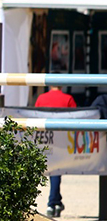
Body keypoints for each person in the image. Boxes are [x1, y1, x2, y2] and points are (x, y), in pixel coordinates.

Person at [35, 75, 76, 218]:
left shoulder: (41, 98)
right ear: (62, 84)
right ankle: (52, 203)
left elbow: (35, 115)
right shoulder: (68, 99)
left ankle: (56, 201)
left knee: (54, 170)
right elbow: (76, 117)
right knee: (56, 170)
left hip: (45, 138)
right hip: (62, 139)